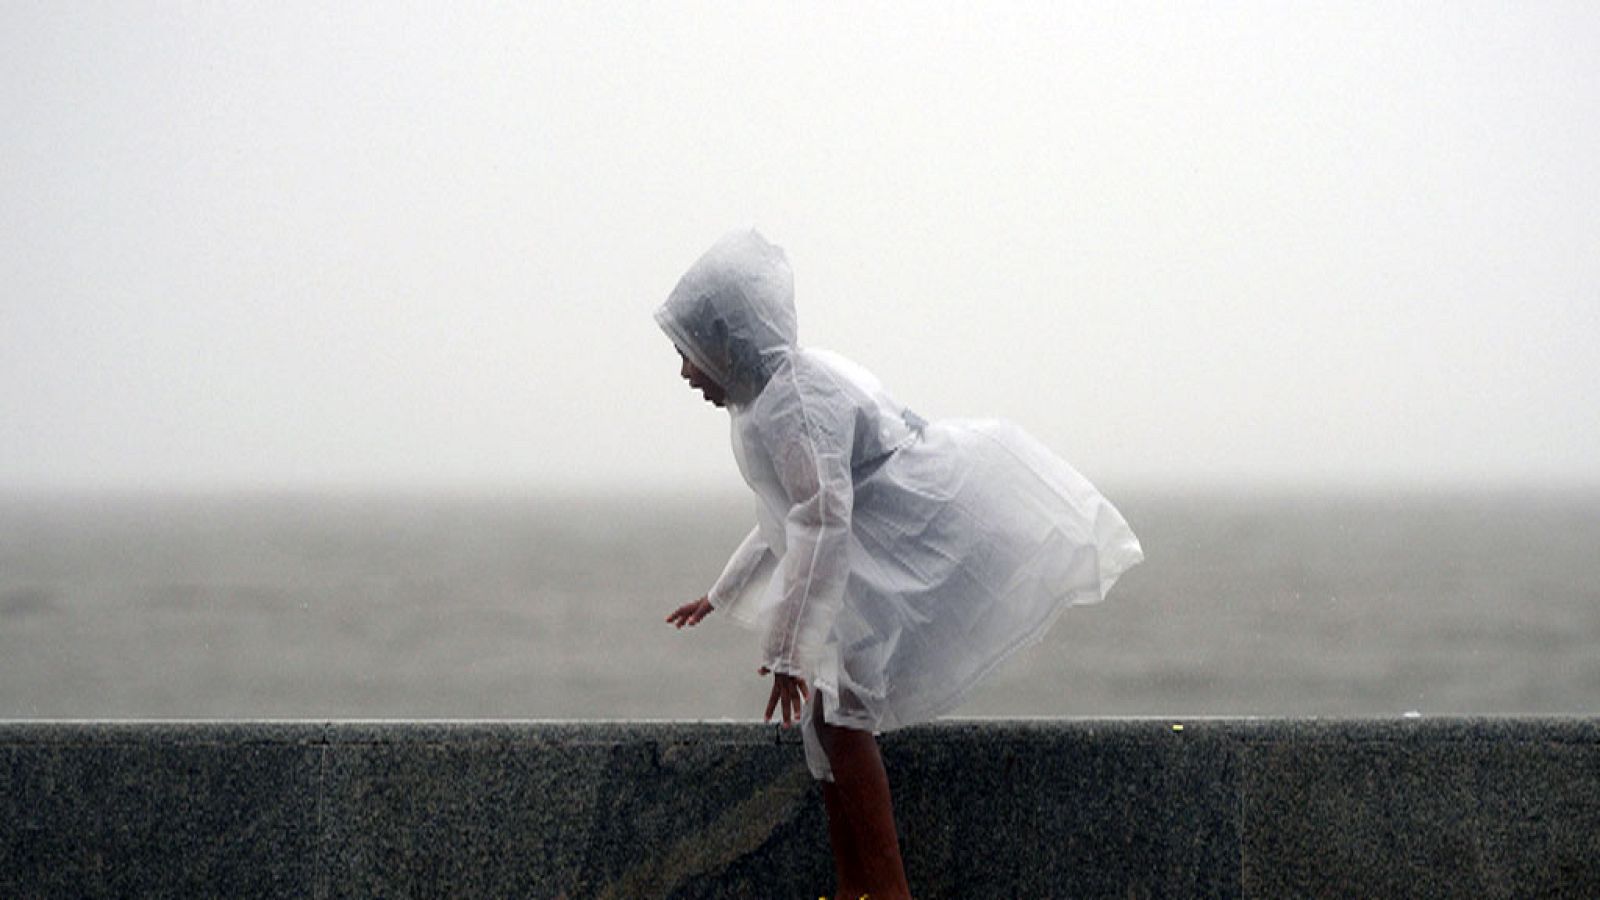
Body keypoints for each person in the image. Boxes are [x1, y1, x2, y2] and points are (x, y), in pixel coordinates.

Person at [659, 228, 1143, 899]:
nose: (686, 373)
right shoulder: (773, 397)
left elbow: (822, 518)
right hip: (874, 553)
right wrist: (722, 593)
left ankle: (886, 891)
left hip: (909, 540)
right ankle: (859, 885)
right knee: (830, 725)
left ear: (730, 339)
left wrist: (790, 647)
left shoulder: (793, 403)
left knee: (845, 723)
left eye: (691, 353)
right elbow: (786, 516)